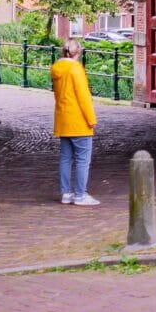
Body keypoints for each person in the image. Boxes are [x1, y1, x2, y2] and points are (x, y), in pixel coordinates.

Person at [50, 38, 99, 206]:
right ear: (77, 52)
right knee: (83, 160)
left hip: (63, 120)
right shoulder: (76, 69)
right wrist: (91, 119)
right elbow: (83, 97)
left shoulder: (56, 68)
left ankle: (66, 193)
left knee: (66, 159)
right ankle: (80, 195)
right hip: (78, 121)